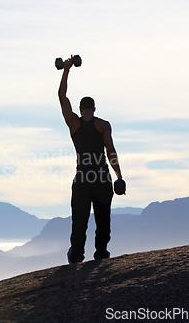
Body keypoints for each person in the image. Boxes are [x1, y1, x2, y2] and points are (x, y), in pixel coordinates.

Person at [57, 55, 123, 263]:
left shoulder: (73, 124)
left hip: (83, 180)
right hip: (102, 178)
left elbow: (61, 95)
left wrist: (66, 70)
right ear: (94, 109)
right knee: (103, 220)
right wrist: (119, 176)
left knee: (79, 222)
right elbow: (110, 151)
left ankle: (76, 255)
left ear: (79, 109)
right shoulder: (103, 125)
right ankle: (101, 253)